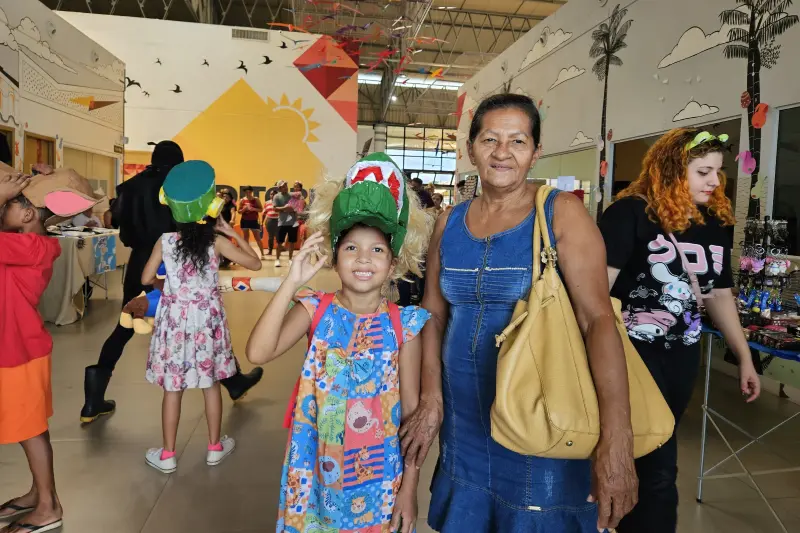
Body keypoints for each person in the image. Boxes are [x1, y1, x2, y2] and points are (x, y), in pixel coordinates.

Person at [399, 93, 638, 532]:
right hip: (463, 418)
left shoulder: (560, 212)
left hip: (542, 415)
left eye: (518, 140)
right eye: (490, 139)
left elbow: (599, 320)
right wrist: (431, 398)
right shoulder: (448, 222)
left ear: (535, 151)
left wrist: (617, 437)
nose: (502, 152)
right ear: (471, 149)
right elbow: (432, 315)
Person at [246, 153, 432, 533]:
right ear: (334, 255)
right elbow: (257, 352)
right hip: (313, 474)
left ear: (394, 263)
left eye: (377, 249)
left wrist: (409, 490)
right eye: (351, 248)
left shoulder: (405, 325)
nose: (363, 259)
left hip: (379, 484)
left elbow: (412, 416)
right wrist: (291, 282)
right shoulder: (315, 310)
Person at [598, 128, 761, 533]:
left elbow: (718, 296)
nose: (714, 181)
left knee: (658, 459)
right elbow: (595, 293)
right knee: (626, 454)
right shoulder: (630, 213)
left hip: (680, 357)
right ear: (671, 170)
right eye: (703, 171)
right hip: (627, 355)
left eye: (718, 173)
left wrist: (744, 357)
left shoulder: (712, 224)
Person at [80, 141, 263, 424]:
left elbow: (119, 224)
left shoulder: (128, 188)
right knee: (202, 324)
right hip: (181, 260)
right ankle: (232, 380)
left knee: (124, 325)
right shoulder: (177, 188)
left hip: (143, 260)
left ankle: (93, 397)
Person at [140, 160, 262, 473]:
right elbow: (255, 264)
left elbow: (145, 278)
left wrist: (166, 286)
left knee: (173, 388)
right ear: (210, 206)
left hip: (174, 321)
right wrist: (229, 229)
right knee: (210, 384)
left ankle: (167, 454)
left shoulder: (165, 242)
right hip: (207, 322)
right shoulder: (216, 241)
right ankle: (213, 447)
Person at [0, 166, 103, 533]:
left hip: (16, 353)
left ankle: (48, 506)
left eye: (10, 203)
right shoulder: (32, 240)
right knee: (33, 429)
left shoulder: (26, 245)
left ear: (28, 214)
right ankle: (38, 493)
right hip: (20, 348)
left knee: (29, 430)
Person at [272, 180, 298, 268]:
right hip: (282, 223)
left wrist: (293, 209)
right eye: (283, 186)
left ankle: (290, 259)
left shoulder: (292, 196)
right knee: (279, 242)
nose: (285, 187)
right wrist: (284, 208)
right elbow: (275, 209)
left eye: (286, 185)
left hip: (292, 222)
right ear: (279, 188)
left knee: (291, 242)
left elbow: (297, 207)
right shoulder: (276, 196)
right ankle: (277, 260)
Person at [237, 186, 265, 259]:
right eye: (246, 192)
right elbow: (239, 211)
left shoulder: (256, 199)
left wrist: (253, 209)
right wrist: (244, 209)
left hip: (254, 221)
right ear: (244, 192)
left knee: (257, 238)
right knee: (246, 238)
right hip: (244, 221)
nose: (248, 193)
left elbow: (261, 209)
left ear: (252, 192)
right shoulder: (242, 200)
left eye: (249, 192)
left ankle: (262, 254)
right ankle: (246, 254)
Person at [262, 189, 279, 256]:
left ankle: (278, 251)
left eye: (274, 194)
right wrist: (262, 222)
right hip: (269, 221)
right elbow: (264, 213)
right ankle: (270, 251)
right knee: (270, 237)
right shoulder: (267, 203)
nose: (272, 195)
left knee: (278, 237)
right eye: (271, 194)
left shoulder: (280, 202)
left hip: (278, 221)